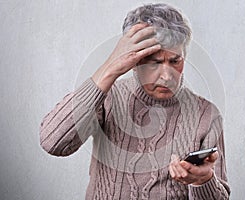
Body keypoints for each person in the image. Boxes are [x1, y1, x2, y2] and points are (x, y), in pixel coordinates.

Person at [40, 3, 230, 199]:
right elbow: (53, 143)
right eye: (154, 62)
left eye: (175, 61)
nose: (166, 76)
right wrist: (110, 67)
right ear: (132, 60)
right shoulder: (108, 97)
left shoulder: (208, 115)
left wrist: (203, 181)